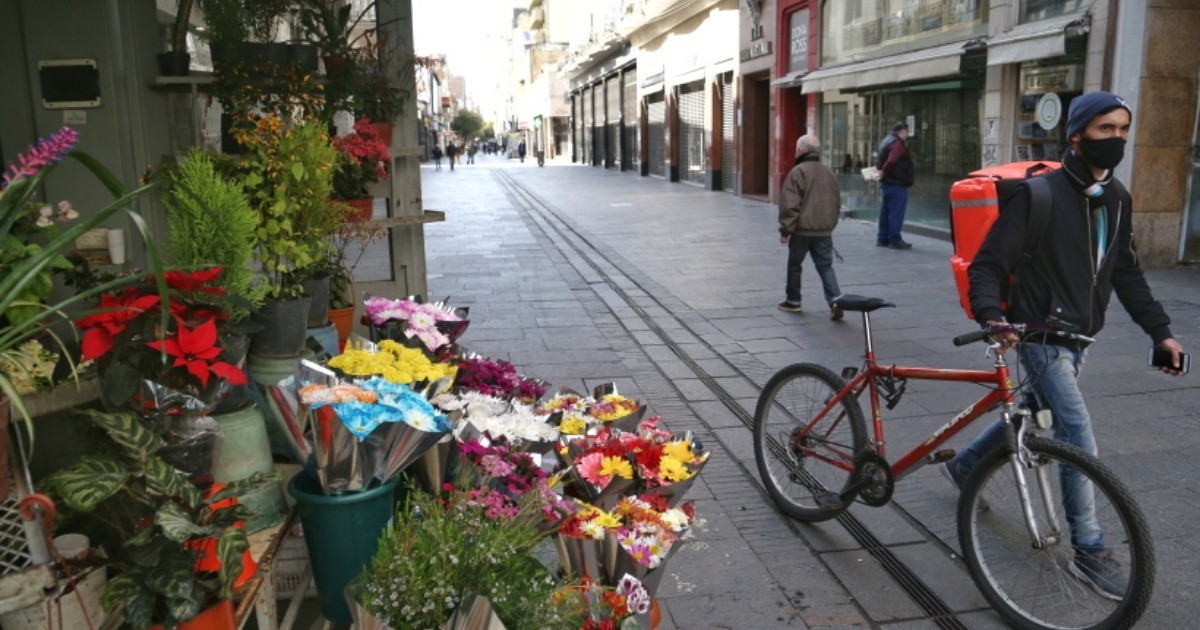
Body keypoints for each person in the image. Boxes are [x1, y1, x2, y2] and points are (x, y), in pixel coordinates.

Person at [941, 91, 1187, 600]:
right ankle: (1090, 550)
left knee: (1030, 407)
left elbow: (1126, 272)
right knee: (1076, 433)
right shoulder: (1040, 196)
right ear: (1076, 135)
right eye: (1105, 130)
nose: (1116, 139)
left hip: (1081, 337)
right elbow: (989, 264)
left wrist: (1160, 331)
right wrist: (992, 315)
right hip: (1041, 335)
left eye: (1122, 129)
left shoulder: (1116, 197)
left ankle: (964, 466)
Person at [776, 134, 844, 320]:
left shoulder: (798, 172)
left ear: (801, 150)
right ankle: (835, 299)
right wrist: (830, 224)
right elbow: (836, 201)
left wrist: (785, 230)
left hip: (802, 230)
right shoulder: (828, 171)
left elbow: (790, 204)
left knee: (795, 265)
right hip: (823, 230)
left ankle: (793, 301)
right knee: (825, 266)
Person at [875, 122, 915, 249]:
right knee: (896, 212)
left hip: (887, 183)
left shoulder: (886, 140)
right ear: (902, 131)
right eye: (906, 132)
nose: (907, 135)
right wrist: (884, 172)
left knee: (885, 211)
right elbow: (892, 160)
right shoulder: (897, 143)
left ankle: (882, 238)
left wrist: (882, 173)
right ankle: (895, 239)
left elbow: (882, 159)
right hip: (897, 183)